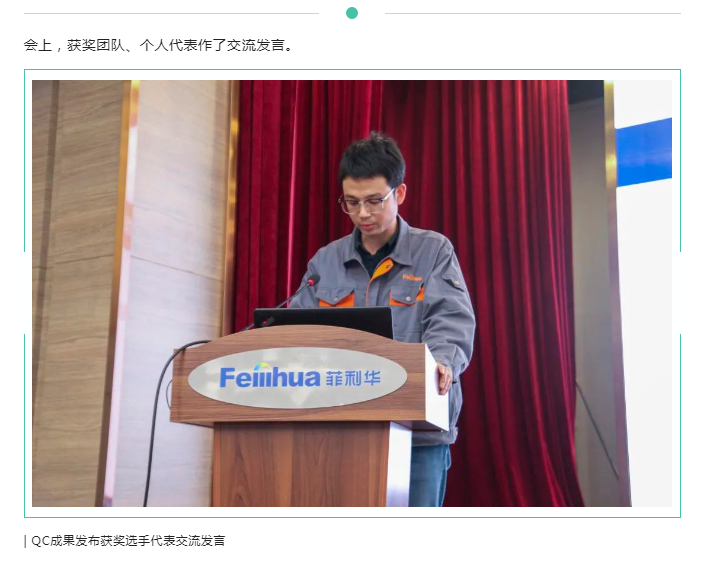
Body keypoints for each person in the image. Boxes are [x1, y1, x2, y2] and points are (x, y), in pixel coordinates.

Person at [289, 132, 476, 507]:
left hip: (417, 434)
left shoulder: (433, 251)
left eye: (374, 201)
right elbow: (295, 327)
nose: (362, 214)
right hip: (340, 429)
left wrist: (441, 362)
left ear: (399, 193)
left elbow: (451, 319)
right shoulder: (326, 261)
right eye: (352, 202)